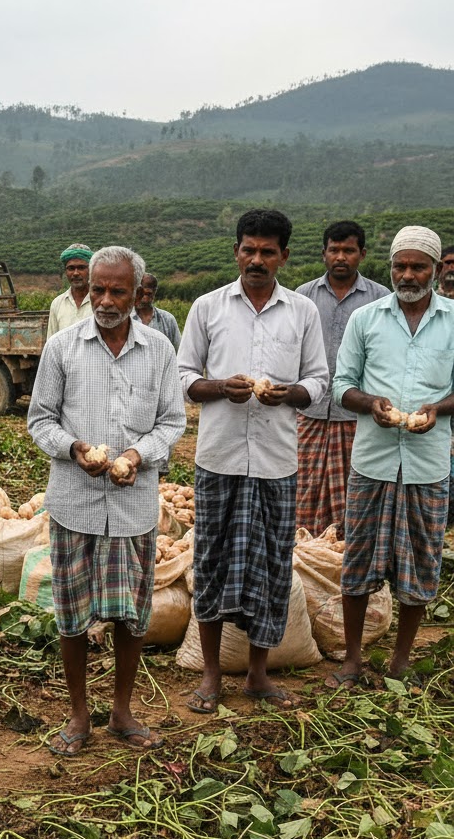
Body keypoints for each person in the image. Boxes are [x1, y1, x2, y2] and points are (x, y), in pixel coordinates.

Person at [28, 247, 185, 754]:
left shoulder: (159, 349)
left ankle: (121, 711)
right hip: (75, 502)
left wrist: (139, 455)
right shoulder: (63, 347)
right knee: (72, 614)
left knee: (130, 615)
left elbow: (172, 422)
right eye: (98, 289)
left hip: (133, 505)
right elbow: (40, 419)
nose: (106, 300)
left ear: (138, 292)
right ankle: (78, 716)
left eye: (118, 291)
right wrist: (74, 449)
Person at [177, 209, 329, 713]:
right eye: (249, 249)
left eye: (268, 251)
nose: (257, 259)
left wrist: (290, 394)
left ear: (284, 255)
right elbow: (181, 377)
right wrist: (221, 386)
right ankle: (213, 675)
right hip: (219, 458)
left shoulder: (302, 312)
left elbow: (319, 381)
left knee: (271, 567)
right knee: (212, 561)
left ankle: (259, 675)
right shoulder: (208, 307)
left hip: (276, 461)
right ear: (236, 251)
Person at [327, 225, 454, 688]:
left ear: (436, 270)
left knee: (420, 559)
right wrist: (372, 405)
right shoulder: (367, 318)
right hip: (373, 460)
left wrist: (437, 410)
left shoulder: (453, 319)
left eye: (418, 266)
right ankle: (353, 660)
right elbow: (342, 386)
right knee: (358, 559)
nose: (407, 274)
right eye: (400, 265)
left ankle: (402, 659)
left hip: (428, 463)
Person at [294, 222, 389, 536]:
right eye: (334, 250)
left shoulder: (381, 299)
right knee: (302, 489)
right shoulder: (302, 297)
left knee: (352, 493)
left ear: (361, 254)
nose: (341, 256)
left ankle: (344, 559)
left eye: (349, 250)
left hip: (356, 415)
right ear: (323, 254)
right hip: (308, 412)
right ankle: (304, 554)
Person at [46, 243, 93, 338]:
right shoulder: (57, 304)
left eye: (81, 268)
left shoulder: (101, 301)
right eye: (71, 268)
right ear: (65, 272)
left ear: (91, 269)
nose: (75, 273)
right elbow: (51, 341)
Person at [131, 273, 181, 350]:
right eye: (140, 293)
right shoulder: (125, 319)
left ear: (154, 292)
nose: (144, 298)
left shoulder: (168, 319)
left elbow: (179, 350)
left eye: (148, 294)